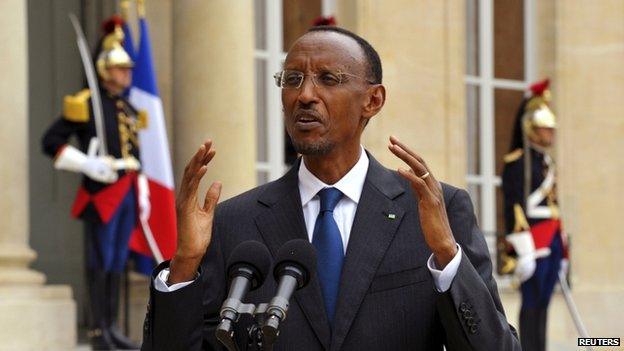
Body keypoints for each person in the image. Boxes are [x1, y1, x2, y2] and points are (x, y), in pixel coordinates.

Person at [141, 26, 520, 350]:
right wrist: (185, 266)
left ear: (373, 100)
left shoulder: (436, 212)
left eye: (328, 79)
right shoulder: (233, 222)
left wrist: (446, 258)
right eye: (292, 79)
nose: (304, 95)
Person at [41, 16, 144, 350]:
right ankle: (99, 331)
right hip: (102, 192)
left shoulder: (126, 107)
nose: (127, 73)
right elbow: (51, 141)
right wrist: (88, 163)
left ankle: (111, 325)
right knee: (100, 260)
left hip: (126, 189)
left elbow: (135, 152)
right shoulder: (87, 103)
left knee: (117, 261)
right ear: (104, 69)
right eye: (121, 68)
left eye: (128, 68)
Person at [502, 79, 568, 351]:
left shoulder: (547, 163)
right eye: (545, 128)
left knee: (544, 303)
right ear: (530, 128)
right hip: (534, 241)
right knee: (531, 303)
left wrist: (563, 248)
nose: (550, 134)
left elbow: (554, 203)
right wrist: (523, 249)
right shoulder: (518, 162)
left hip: (551, 237)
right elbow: (514, 205)